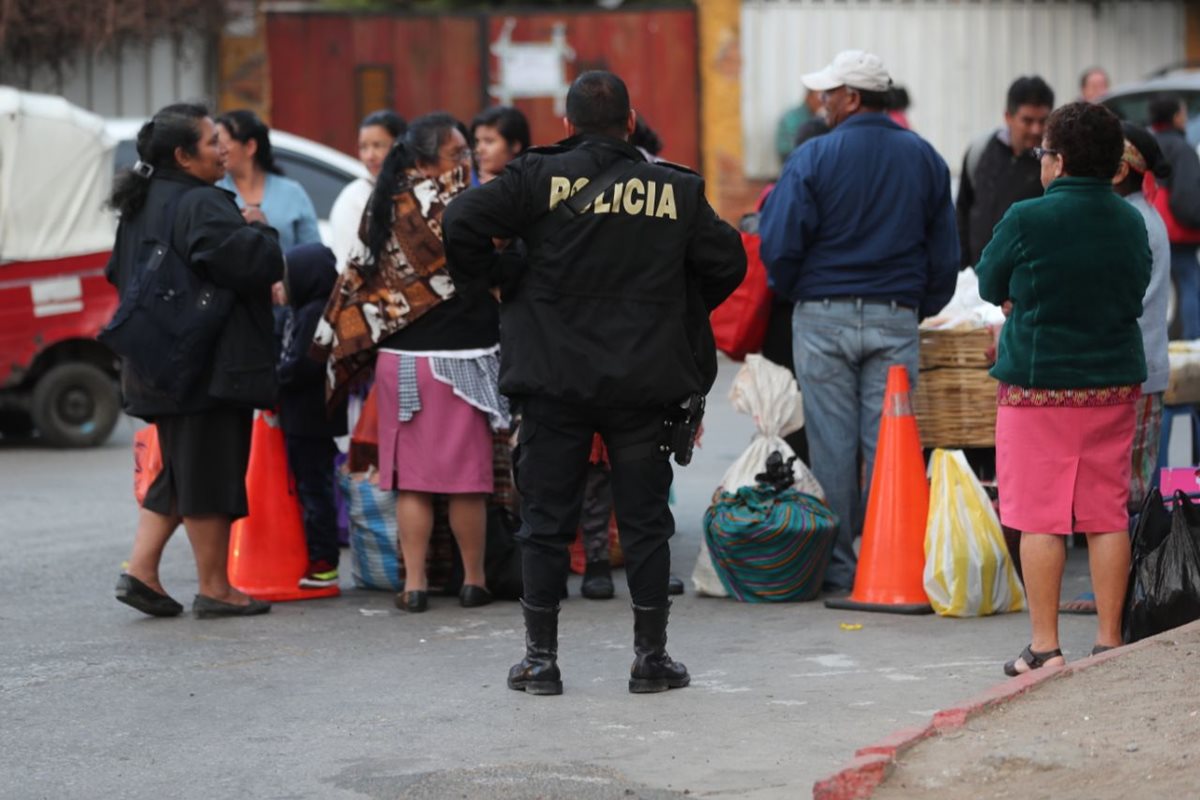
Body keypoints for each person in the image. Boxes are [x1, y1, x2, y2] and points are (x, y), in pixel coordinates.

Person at [443, 70, 745, 695]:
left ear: (567, 126)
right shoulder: (675, 190)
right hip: (643, 384)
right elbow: (729, 261)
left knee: (546, 520)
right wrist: (675, 304)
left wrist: (503, 279)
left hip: (553, 381)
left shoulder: (533, 177)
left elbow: (461, 222)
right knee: (644, 522)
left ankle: (541, 661)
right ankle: (650, 659)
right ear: (630, 124)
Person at [758, 49, 958, 595]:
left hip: (823, 317)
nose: (820, 103)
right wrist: (915, 305)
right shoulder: (925, 158)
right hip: (896, 317)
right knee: (890, 445)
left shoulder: (814, 157)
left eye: (828, 94)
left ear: (850, 98)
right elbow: (945, 256)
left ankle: (843, 569)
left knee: (832, 446)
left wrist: (800, 291)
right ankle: (889, 560)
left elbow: (778, 245)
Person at [975, 102, 1151, 674]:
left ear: (1061, 160)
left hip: (1039, 387)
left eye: (1044, 153)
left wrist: (1018, 299)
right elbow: (1136, 288)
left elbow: (987, 281)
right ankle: (1107, 641)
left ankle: (1045, 647)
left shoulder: (1028, 218)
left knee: (1040, 516)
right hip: (1112, 385)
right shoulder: (1131, 220)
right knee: (1107, 514)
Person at [313, 112, 507, 614]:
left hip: (401, 361)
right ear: (427, 160)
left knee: (412, 481)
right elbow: (501, 266)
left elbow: (359, 276)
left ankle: (415, 584)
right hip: (465, 359)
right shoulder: (469, 205)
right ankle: (473, 580)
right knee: (468, 481)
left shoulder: (385, 204)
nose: (467, 161)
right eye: (457, 154)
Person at [109, 103, 283, 619]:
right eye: (212, 142)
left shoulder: (141, 202)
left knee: (180, 475)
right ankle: (216, 588)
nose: (223, 148)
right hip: (205, 365)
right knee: (209, 473)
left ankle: (140, 571)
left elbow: (115, 272)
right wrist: (260, 228)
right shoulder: (202, 203)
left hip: (157, 360)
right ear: (184, 156)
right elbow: (251, 264)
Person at [1060, 123, 1173, 617]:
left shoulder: (1137, 222)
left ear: (1121, 169)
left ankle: (1129, 590)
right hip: (1134, 370)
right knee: (1120, 484)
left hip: (1139, 373)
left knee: (1127, 487)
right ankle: (1122, 588)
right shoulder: (1132, 215)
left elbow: (1128, 300)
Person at [277, 242, 348, 589]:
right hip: (306, 420)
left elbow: (305, 364)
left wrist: (274, 380)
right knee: (311, 487)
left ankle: (324, 562)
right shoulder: (305, 311)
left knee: (314, 490)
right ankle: (317, 555)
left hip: (310, 421)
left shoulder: (315, 313)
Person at [956, 76, 1054, 270]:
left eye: (1043, 121)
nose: (1036, 129)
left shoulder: (1055, 163)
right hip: (976, 282)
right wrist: (962, 266)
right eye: (1027, 120)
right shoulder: (980, 150)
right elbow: (962, 211)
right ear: (1008, 116)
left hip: (1029, 285)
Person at [216, 109, 321, 252]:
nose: (218, 151)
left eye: (223, 144)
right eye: (214, 144)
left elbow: (313, 253)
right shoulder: (215, 191)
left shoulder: (292, 193)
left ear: (250, 147)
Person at [329, 110, 407, 273]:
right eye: (363, 147)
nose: (369, 156)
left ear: (399, 146)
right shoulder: (353, 197)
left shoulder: (417, 188)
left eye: (378, 146)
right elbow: (348, 264)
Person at [1150, 94, 1200, 340]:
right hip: (1178, 234)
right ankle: (1194, 344)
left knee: (1156, 291)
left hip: (1149, 229)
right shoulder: (1183, 149)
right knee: (1191, 286)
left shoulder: (1147, 144)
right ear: (1176, 117)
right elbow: (1186, 197)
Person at [471, 106, 531, 184]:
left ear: (515, 145)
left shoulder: (535, 183)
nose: (479, 149)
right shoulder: (464, 183)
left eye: (489, 141)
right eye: (477, 141)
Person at [775, 90, 823, 164]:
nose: (821, 102)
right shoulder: (794, 117)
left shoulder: (813, 116)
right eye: (819, 97)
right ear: (808, 97)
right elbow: (790, 146)